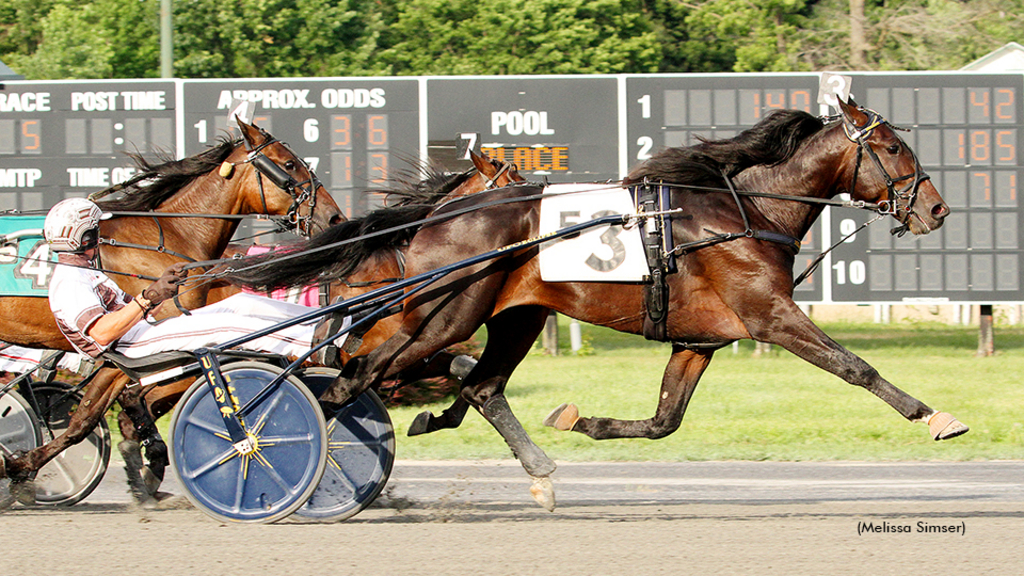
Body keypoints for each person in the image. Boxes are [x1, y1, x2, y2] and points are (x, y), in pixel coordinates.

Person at [43, 197, 340, 361]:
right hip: (131, 346)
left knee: (242, 303)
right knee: (229, 325)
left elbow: (132, 313)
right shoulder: (69, 281)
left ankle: (320, 321)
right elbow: (102, 334)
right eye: (96, 232)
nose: (101, 237)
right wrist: (148, 298)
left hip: (142, 331)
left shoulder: (85, 272)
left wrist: (162, 291)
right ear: (83, 238)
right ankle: (310, 346)